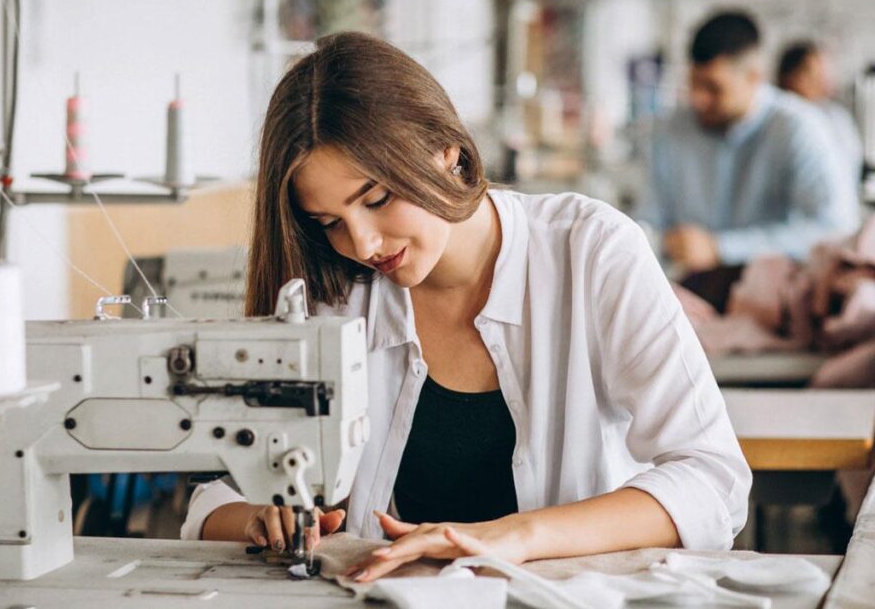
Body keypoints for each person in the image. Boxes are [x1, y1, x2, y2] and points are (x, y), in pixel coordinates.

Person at [181, 32, 750, 581]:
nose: (363, 244)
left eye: (378, 199)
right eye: (330, 223)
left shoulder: (591, 252)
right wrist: (261, 517)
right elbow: (217, 493)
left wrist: (518, 536)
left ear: (445, 150)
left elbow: (713, 482)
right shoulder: (337, 288)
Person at [640, 12, 857, 273]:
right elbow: (648, 218)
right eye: (694, 85)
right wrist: (660, 240)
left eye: (713, 88)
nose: (699, 99)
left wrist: (720, 248)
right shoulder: (673, 129)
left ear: (754, 77)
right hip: (687, 288)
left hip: (775, 295)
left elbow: (832, 229)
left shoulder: (799, 128)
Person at [777, 40, 863, 190]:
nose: (823, 80)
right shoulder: (774, 119)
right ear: (789, 76)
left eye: (824, 72)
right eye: (812, 73)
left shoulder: (836, 119)